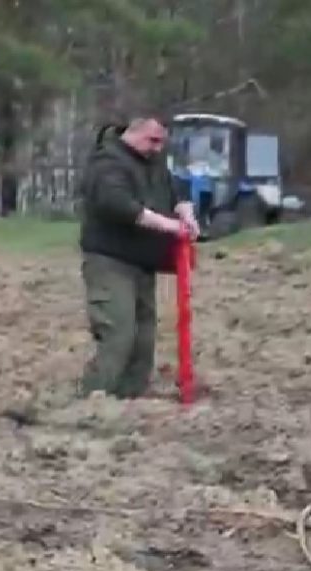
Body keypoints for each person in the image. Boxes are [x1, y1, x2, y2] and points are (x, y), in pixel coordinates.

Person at [77, 114, 200, 399]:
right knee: (119, 331)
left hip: (143, 262)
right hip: (110, 260)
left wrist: (185, 211)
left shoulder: (153, 163)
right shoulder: (107, 162)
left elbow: (174, 189)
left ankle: (131, 396)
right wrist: (168, 225)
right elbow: (117, 204)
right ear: (133, 132)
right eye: (153, 140)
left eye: (162, 142)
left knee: (144, 337)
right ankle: (95, 397)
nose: (158, 148)